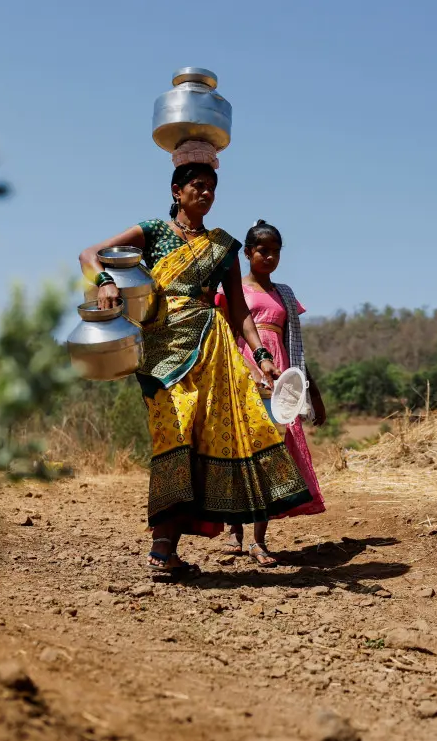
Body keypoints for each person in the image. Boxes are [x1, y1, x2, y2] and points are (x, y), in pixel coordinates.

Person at [78, 145, 313, 575]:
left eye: (211, 188)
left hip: (211, 348)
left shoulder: (221, 247)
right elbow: (89, 255)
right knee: (173, 431)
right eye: (196, 186)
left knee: (203, 438)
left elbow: (239, 311)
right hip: (159, 350)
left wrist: (261, 354)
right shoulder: (151, 231)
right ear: (177, 191)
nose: (205, 194)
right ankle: (164, 543)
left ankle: (164, 549)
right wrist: (105, 281)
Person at [215, 220, 327, 562]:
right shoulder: (233, 291)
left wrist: (313, 394)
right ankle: (235, 532)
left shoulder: (285, 295)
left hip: (281, 381)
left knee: (272, 454)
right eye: (262, 250)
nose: (269, 256)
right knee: (240, 451)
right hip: (242, 375)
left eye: (275, 251)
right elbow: (223, 336)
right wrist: (245, 368)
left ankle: (258, 540)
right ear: (248, 253)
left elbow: (297, 350)